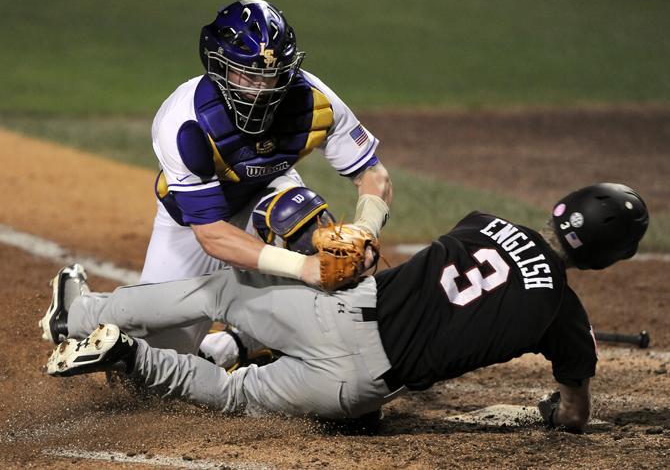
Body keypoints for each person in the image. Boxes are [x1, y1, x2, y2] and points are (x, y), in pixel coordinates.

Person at [40, 183, 648, 432]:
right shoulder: (561, 315)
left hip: (338, 312)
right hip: (356, 388)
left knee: (220, 291)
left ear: (564, 207)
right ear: (606, 258)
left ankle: (82, 315)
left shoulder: (482, 223)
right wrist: (555, 404)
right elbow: (574, 412)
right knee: (236, 395)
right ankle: (130, 357)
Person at [142, 0, 393, 358]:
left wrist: (366, 231)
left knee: (302, 222)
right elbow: (211, 234)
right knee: (155, 364)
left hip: (270, 194)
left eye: (269, 75)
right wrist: (301, 268)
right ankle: (234, 346)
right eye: (247, 74)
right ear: (218, 66)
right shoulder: (185, 123)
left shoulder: (313, 101)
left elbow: (372, 172)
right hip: (192, 223)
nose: (260, 87)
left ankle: (331, 353)